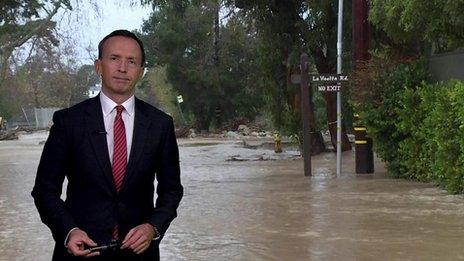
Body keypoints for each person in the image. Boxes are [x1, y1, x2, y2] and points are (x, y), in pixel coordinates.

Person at [31, 30, 183, 261]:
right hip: (80, 252)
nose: (123, 68)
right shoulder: (68, 121)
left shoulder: (161, 124)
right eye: (114, 58)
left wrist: (152, 228)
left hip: (140, 255)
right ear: (98, 66)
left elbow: (171, 191)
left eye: (131, 61)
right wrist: (68, 231)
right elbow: (44, 190)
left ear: (141, 71)